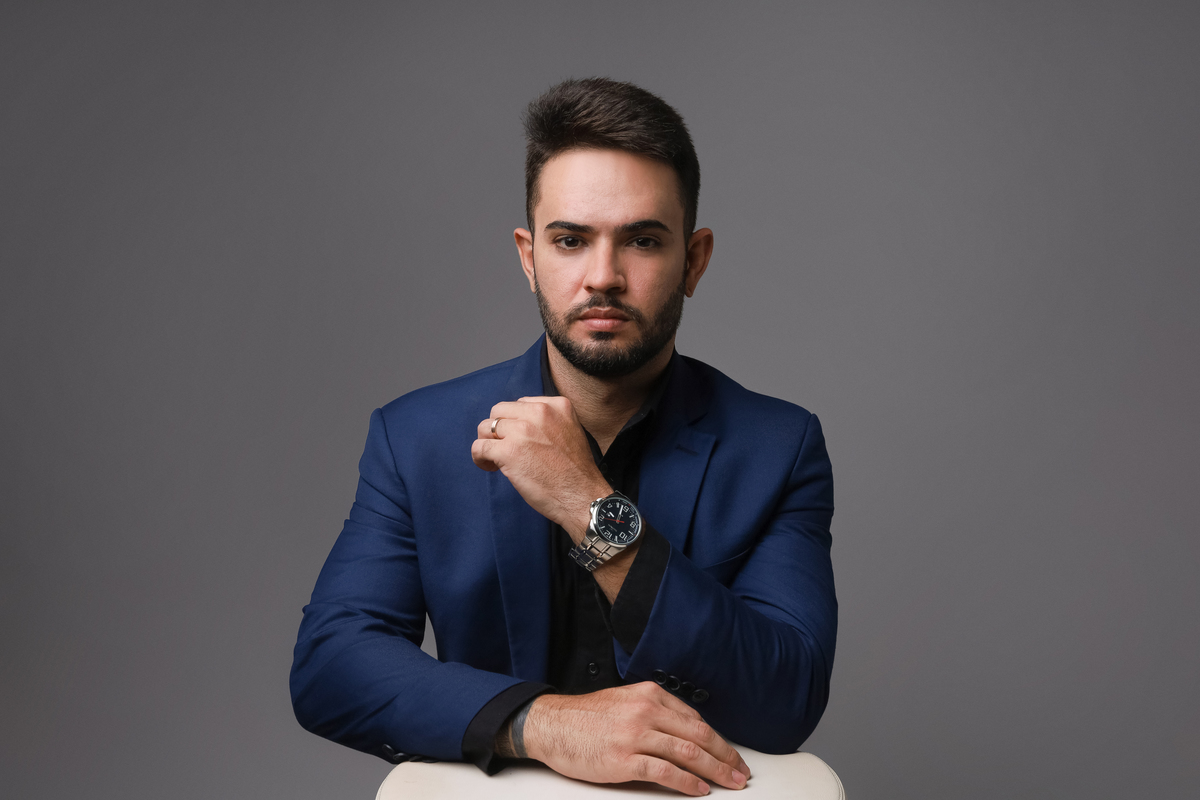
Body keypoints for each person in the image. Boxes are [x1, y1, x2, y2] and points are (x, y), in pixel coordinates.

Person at [290, 77, 837, 798]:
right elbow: (331, 664)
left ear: (694, 260)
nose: (603, 277)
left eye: (643, 241)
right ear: (529, 257)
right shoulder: (415, 438)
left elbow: (787, 696)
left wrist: (589, 507)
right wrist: (542, 724)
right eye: (571, 240)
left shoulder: (779, 447)